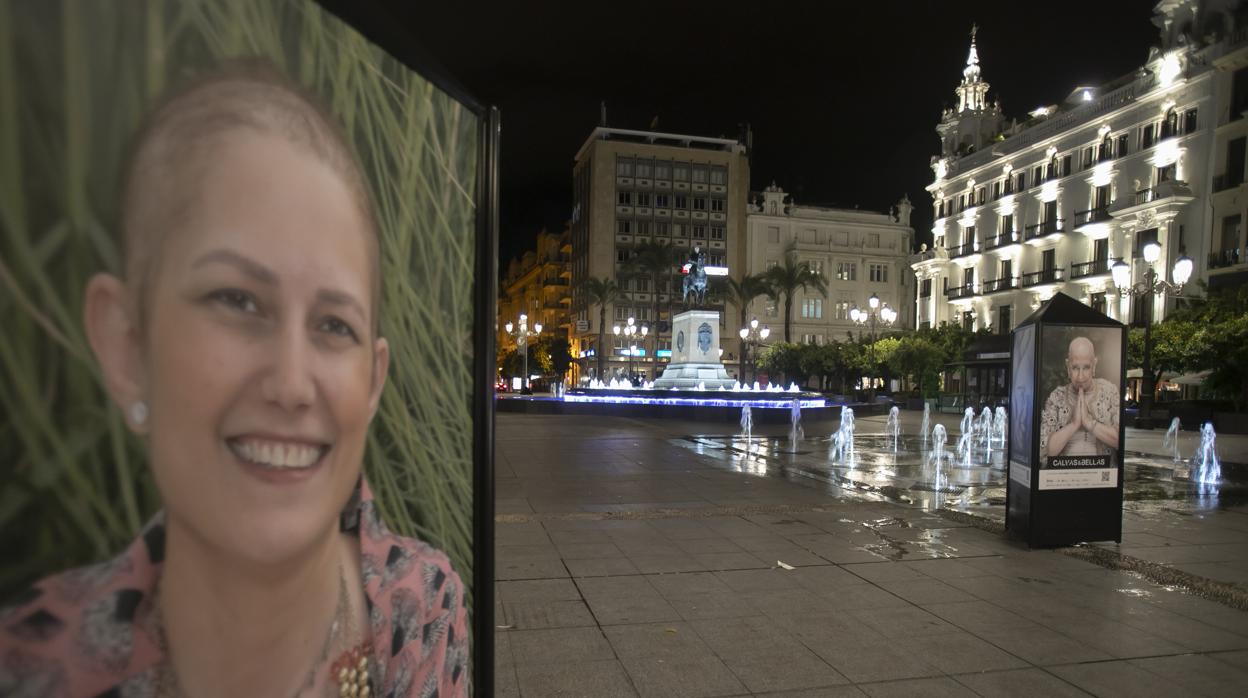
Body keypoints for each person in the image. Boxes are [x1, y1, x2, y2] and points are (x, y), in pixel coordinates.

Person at [0, 59, 468, 696]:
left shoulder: (425, 613)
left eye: (334, 325)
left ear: (374, 379)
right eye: (237, 301)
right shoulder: (33, 666)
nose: (292, 383)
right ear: (126, 345)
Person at [1039, 336, 1120, 463]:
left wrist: (1089, 423)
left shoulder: (1109, 392)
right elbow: (1046, 450)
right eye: (1075, 368)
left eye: (1086, 367)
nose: (1080, 376)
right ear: (1068, 367)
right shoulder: (1057, 397)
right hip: (1063, 476)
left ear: (1094, 365)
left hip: (1101, 475)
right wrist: (1074, 424)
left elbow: (1119, 440)